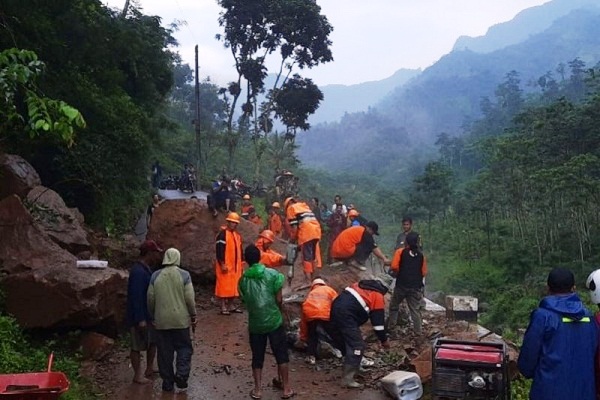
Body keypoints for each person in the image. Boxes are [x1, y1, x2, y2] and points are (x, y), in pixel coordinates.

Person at [518, 267, 597, 400]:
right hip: (584, 392)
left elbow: (528, 361)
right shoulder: (589, 317)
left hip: (548, 393)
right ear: (574, 288)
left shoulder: (542, 317)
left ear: (548, 288)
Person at [238, 245, 295, 400]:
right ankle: (287, 388)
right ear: (260, 257)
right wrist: (279, 309)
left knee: (257, 357)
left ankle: (257, 390)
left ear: (246, 261)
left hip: (255, 324)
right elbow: (279, 299)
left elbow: (244, 300)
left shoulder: (243, 280)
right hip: (274, 321)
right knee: (281, 354)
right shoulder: (272, 274)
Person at [147, 248, 197, 393]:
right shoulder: (184, 275)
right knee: (184, 348)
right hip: (180, 321)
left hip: (161, 322)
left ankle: (167, 382)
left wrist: (153, 316)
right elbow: (189, 299)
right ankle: (181, 374)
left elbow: (150, 298)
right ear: (177, 258)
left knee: (164, 353)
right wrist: (193, 315)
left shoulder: (155, 276)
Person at [329, 279, 390, 388]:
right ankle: (348, 379)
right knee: (357, 346)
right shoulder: (377, 296)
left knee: (346, 341)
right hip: (346, 315)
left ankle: (355, 367)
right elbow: (378, 324)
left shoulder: (359, 285)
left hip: (334, 308)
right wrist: (384, 340)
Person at [127, 240, 162, 384]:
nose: (157, 256)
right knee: (137, 345)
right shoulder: (138, 272)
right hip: (139, 316)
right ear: (149, 253)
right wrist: (140, 318)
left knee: (152, 342)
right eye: (155, 253)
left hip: (150, 315)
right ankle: (137, 375)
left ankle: (149, 368)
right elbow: (135, 297)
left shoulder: (147, 269)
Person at [387, 232, 427, 335]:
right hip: (415, 288)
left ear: (406, 241)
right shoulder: (421, 256)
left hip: (401, 286)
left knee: (394, 306)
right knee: (415, 310)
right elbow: (424, 272)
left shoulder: (400, 252)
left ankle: (392, 329)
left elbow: (394, 266)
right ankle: (418, 332)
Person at [299, 278, 338, 365]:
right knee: (334, 334)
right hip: (325, 314)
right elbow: (338, 304)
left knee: (312, 336)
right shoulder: (329, 290)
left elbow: (303, 321)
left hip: (311, 315)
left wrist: (303, 337)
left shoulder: (311, 293)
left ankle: (311, 356)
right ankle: (343, 352)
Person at [284, 196, 322, 283]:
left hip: (307, 233)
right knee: (313, 257)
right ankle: (315, 278)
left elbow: (294, 227)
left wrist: (292, 239)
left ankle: (308, 281)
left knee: (306, 257)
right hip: (316, 231)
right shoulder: (304, 206)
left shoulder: (291, 208)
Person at [214, 212, 244, 315]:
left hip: (235, 267)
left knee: (234, 287)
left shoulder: (237, 236)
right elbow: (219, 250)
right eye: (232, 222)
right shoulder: (222, 235)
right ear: (228, 222)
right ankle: (223, 307)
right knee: (223, 286)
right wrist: (222, 263)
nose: (234, 225)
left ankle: (231, 305)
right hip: (225, 266)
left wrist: (241, 264)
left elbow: (240, 250)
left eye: (235, 223)